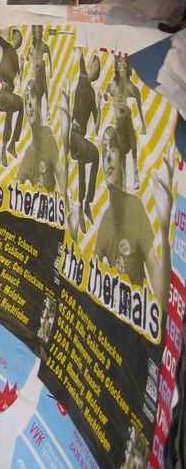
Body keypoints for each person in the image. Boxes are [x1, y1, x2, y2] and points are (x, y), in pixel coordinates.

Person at [94, 126, 172, 308]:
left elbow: (161, 295)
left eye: (112, 149)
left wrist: (165, 229)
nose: (107, 157)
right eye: (104, 150)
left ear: (122, 159)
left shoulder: (135, 208)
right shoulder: (105, 220)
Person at [69, 50, 101, 233]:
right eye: (91, 65)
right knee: (91, 156)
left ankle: (84, 204)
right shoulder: (82, 78)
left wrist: (100, 108)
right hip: (73, 136)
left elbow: (97, 124)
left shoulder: (92, 93)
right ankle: (83, 204)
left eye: (95, 68)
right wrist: (80, 54)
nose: (92, 69)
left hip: (80, 138)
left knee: (90, 160)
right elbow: (81, 60)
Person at [104, 54, 146, 190]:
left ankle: (135, 175)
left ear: (127, 67)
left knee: (133, 146)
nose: (121, 67)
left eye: (124, 65)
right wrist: (103, 96)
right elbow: (105, 93)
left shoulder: (129, 86)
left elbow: (138, 100)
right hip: (118, 124)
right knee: (120, 153)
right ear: (116, 67)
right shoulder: (113, 85)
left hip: (126, 120)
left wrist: (143, 124)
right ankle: (124, 182)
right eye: (119, 65)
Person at [0, 29, 24, 167]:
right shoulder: (8, 47)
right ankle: (11, 144)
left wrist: (21, 67)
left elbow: (20, 78)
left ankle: (7, 147)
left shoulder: (16, 57)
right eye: (15, 37)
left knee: (9, 122)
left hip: (9, 94)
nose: (15, 40)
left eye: (17, 38)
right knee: (21, 104)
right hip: (3, 94)